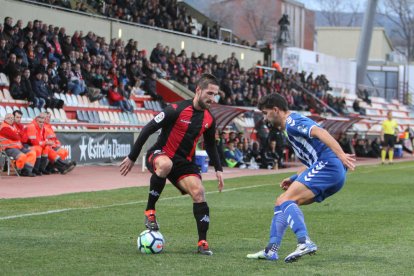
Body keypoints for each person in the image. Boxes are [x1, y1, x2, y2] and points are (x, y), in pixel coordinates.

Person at [120, 73, 224, 255]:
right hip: (160, 154)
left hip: (184, 163)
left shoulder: (209, 119)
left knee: (199, 192)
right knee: (166, 164)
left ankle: (202, 243)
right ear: (198, 90)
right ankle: (150, 211)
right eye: (209, 93)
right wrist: (132, 156)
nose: (212, 98)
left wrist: (219, 169)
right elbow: (148, 128)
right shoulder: (175, 109)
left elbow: (210, 145)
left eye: (215, 95)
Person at [247, 93, 355, 263]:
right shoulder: (291, 126)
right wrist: (294, 177)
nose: (265, 117)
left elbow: (320, 131)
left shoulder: (292, 122)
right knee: (281, 201)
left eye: (266, 113)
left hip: (328, 165)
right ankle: (271, 250)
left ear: (276, 110)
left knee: (286, 200)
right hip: (329, 170)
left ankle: (304, 242)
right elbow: (311, 159)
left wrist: (341, 154)